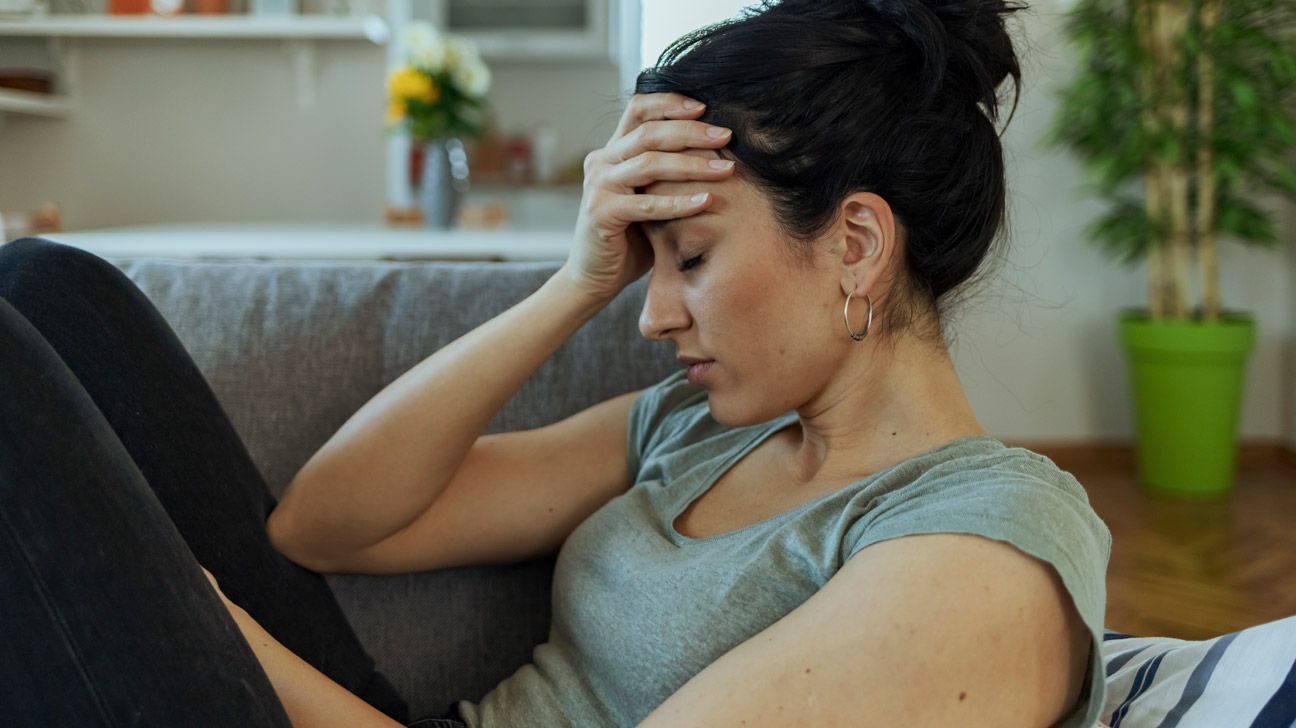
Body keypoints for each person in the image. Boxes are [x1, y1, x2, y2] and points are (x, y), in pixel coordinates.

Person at [0, 0, 1112, 726]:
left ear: (857, 244)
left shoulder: (985, 544)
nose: (653, 313)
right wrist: (574, 279)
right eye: (646, 261)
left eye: (691, 256)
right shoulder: (698, 427)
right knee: (46, 287)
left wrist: (193, 619)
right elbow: (322, 528)